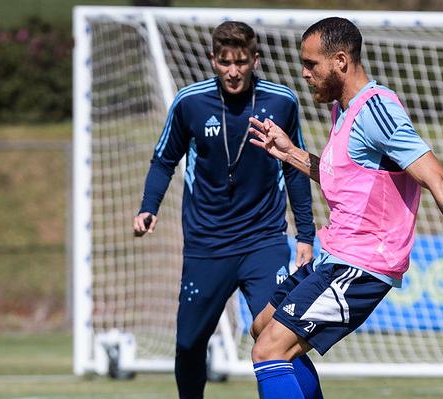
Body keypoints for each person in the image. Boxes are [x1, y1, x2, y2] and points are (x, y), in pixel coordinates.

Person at [246, 17, 443, 399]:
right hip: (337, 255)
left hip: (361, 264)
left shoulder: (376, 111)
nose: (304, 73)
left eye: (311, 64)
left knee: (269, 350)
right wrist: (290, 153)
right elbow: (346, 181)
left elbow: (438, 179)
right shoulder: (344, 111)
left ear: (340, 61)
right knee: (263, 327)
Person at [132, 21, 320, 399]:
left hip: (263, 242)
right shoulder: (189, 102)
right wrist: (148, 207)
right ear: (213, 61)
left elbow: (295, 167)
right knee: (188, 343)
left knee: (280, 333)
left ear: (255, 60)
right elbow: (163, 159)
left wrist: (305, 234)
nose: (233, 72)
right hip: (207, 245)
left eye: (240, 62)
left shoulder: (281, 101)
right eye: (225, 63)